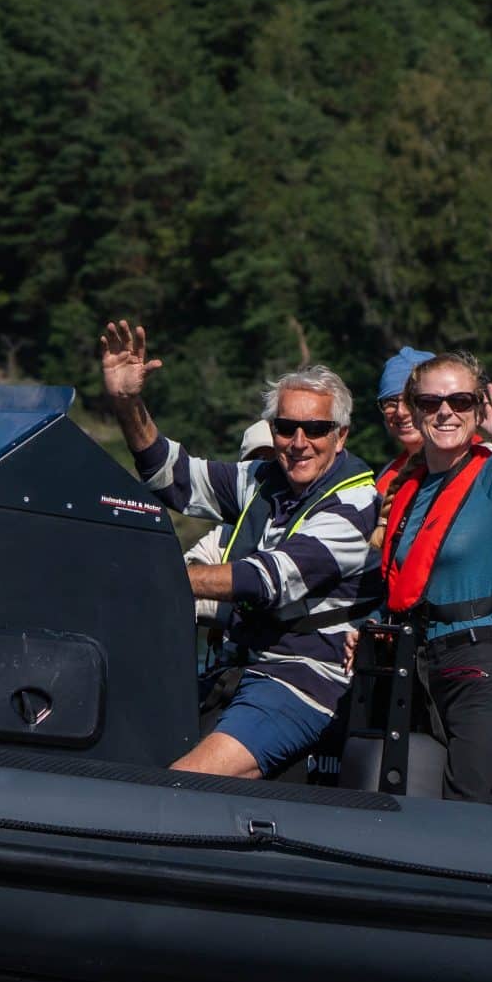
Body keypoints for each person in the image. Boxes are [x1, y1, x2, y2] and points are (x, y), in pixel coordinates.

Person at [100, 326, 380, 779]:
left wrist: (160, 577)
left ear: (341, 436)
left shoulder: (354, 503)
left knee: (182, 783)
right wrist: (126, 402)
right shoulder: (261, 478)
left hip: (302, 681)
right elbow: (170, 475)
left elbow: (265, 579)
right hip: (243, 666)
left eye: (316, 429)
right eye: (286, 428)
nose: (299, 441)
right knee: (123, 744)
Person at [369, 241, 492, 803]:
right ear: (414, 411)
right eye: (431, 404)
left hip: (477, 665)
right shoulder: (403, 490)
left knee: (478, 808)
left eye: (460, 402)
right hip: (413, 663)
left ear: (479, 410)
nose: (446, 412)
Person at [372, 348, 492, 544]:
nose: (401, 411)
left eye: (426, 402)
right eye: (390, 402)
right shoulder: (389, 475)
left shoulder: (486, 461)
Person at [186, 421, 280, 626]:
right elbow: (186, 568)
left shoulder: (309, 525)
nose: (268, 469)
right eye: (258, 460)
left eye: (273, 459)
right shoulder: (224, 536)